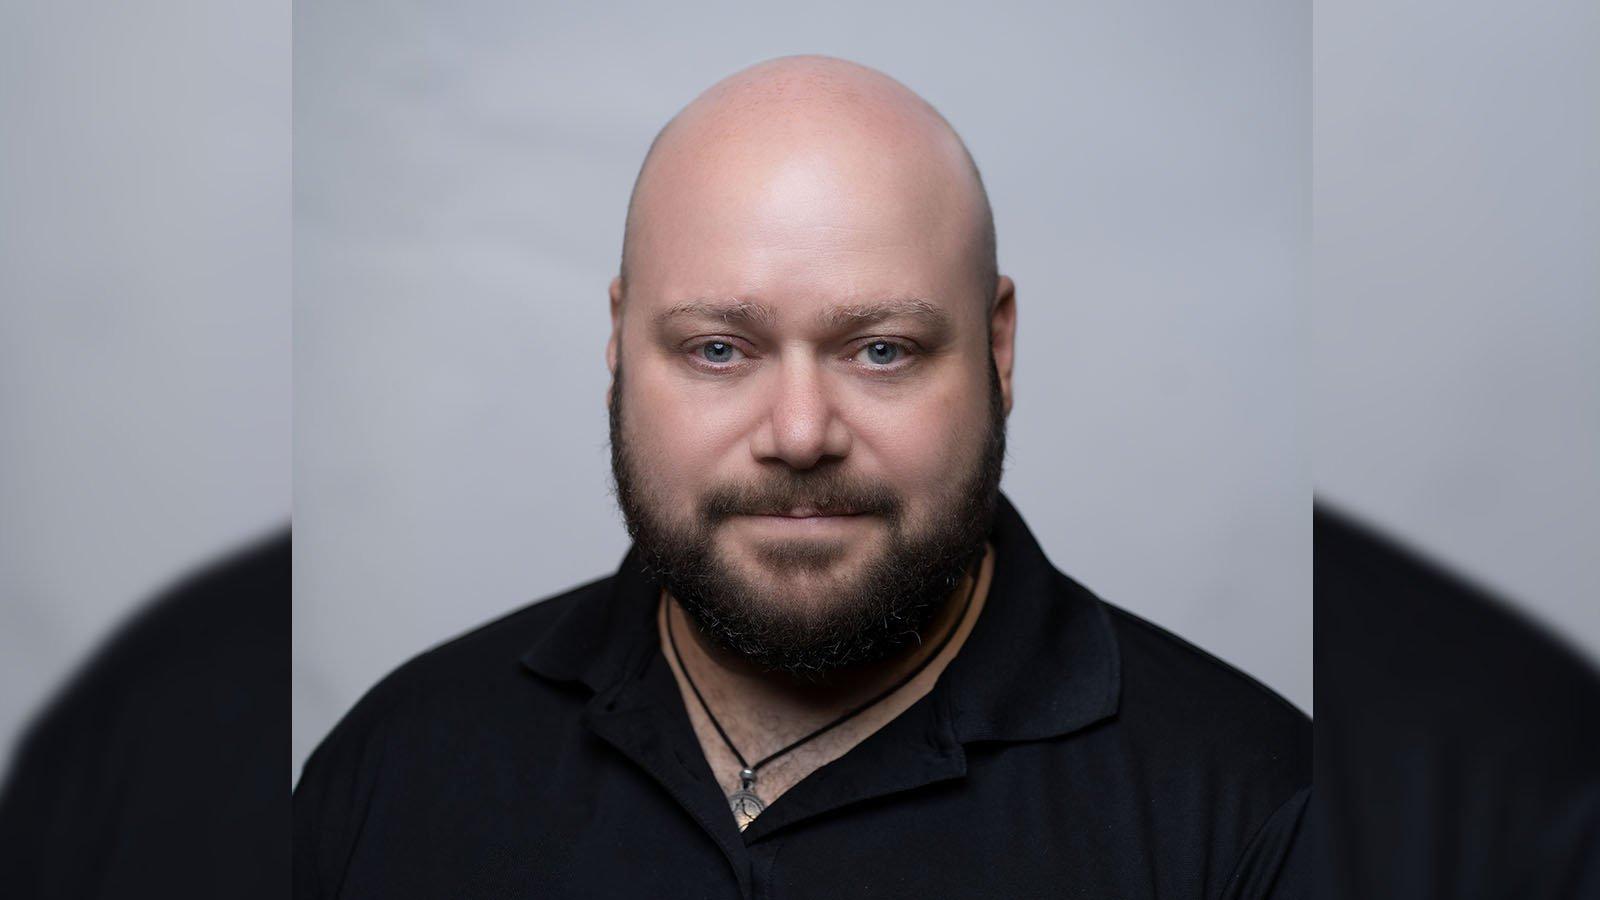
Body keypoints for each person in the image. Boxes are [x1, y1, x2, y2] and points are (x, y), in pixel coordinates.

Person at [294, 55, 1309, 899]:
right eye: (719, 350)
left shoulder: (1262, 816)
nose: (798, 434)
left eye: (880, 350)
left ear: (998, 348)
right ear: (615, 339)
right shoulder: (395, 767)